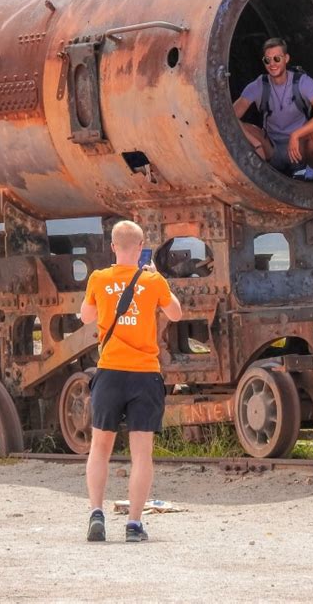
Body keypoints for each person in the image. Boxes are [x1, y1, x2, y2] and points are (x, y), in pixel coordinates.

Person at [80, 220, 182, 543]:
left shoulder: (99, 278)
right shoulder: (152, 282)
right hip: (143, 375)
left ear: (112, 247)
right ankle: (134, 524)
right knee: (142, 453)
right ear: (140, 249)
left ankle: (97, 513)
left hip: (109, 372)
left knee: (100, 447)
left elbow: (86, 317)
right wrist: (155, 276)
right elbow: (176, 313)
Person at [233, 38, 313, 180]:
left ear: (286, 59)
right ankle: (259, 175)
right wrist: (255, 143)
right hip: (271, 148)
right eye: (267, 60)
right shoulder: (258, 85)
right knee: (243, 129)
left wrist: (296, 134)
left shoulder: (302, 82)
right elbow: (228, 117)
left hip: (299, 148)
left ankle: (310, 176)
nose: (272, 64)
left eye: (277, 58)